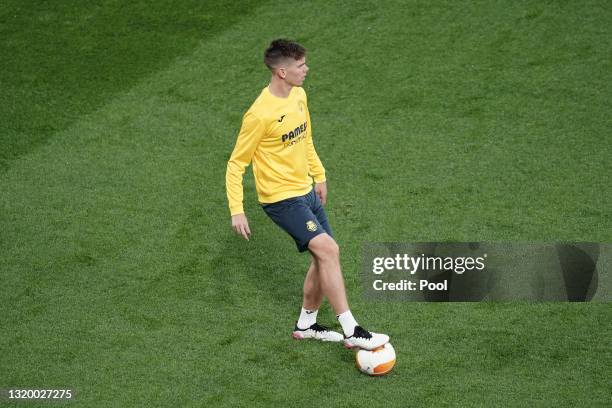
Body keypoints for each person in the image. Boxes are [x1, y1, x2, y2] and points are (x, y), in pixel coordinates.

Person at [225, 39, 388, 350]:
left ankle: (306, 324)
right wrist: (237, 209)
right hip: (280, 199)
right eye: (301, 65)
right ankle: (352, 330)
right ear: (282, 72)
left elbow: (305, 138)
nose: (306, 70)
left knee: (321, 257)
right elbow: (236, 163)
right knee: (329, 250)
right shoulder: (259, 115)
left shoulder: (299, 95)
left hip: (306, 191)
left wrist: (319, 174)